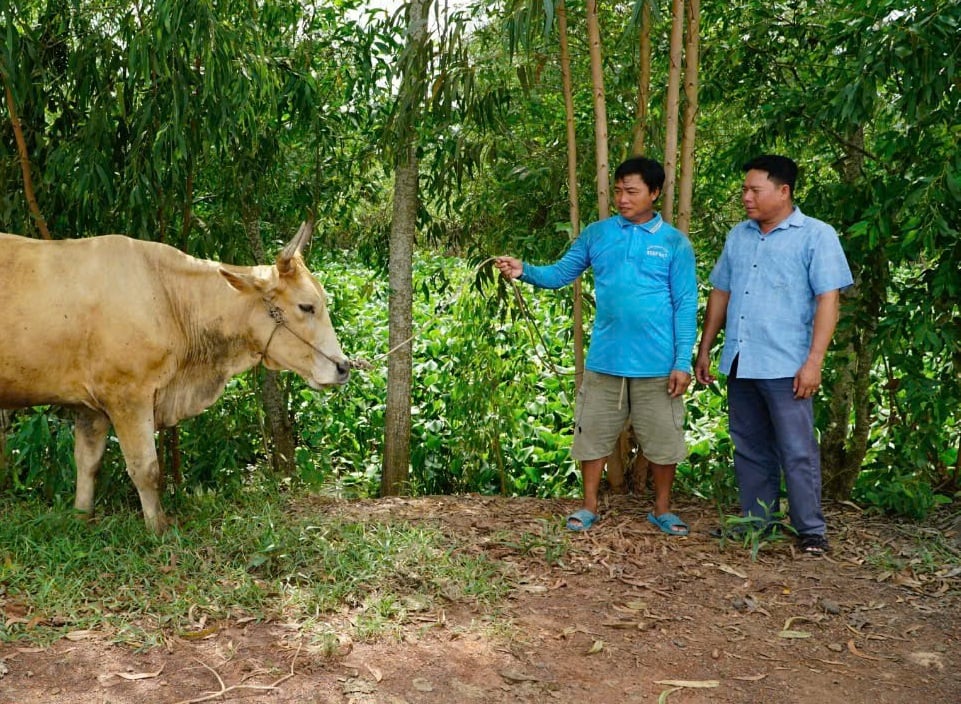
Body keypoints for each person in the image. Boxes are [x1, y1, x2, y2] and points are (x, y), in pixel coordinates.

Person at [495, 156, 698, 534]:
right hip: (606, 360)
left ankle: (663, 509)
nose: (622, 198)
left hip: (658, 364)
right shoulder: (598, 234)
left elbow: (686, 305)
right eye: (618, 190)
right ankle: (588, 506)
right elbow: (560, 273)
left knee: (664, 440)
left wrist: (682, 361)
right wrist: (526, 271)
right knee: (592, 434)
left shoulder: (675, 244)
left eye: (632, 191)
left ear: (655, 193)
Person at [694, 154, 853, 556]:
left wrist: (814, 361)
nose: (746, 197)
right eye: (744, 190)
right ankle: (757, 522)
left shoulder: (816, 235)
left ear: (783, 192)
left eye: (754, 190)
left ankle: (810, 531)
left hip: (788, 364)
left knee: (796, 450)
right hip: (741, 359)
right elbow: (721, 292)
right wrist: (706, 347)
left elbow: (828, 300)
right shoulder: (739, 236)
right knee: (749, 445)